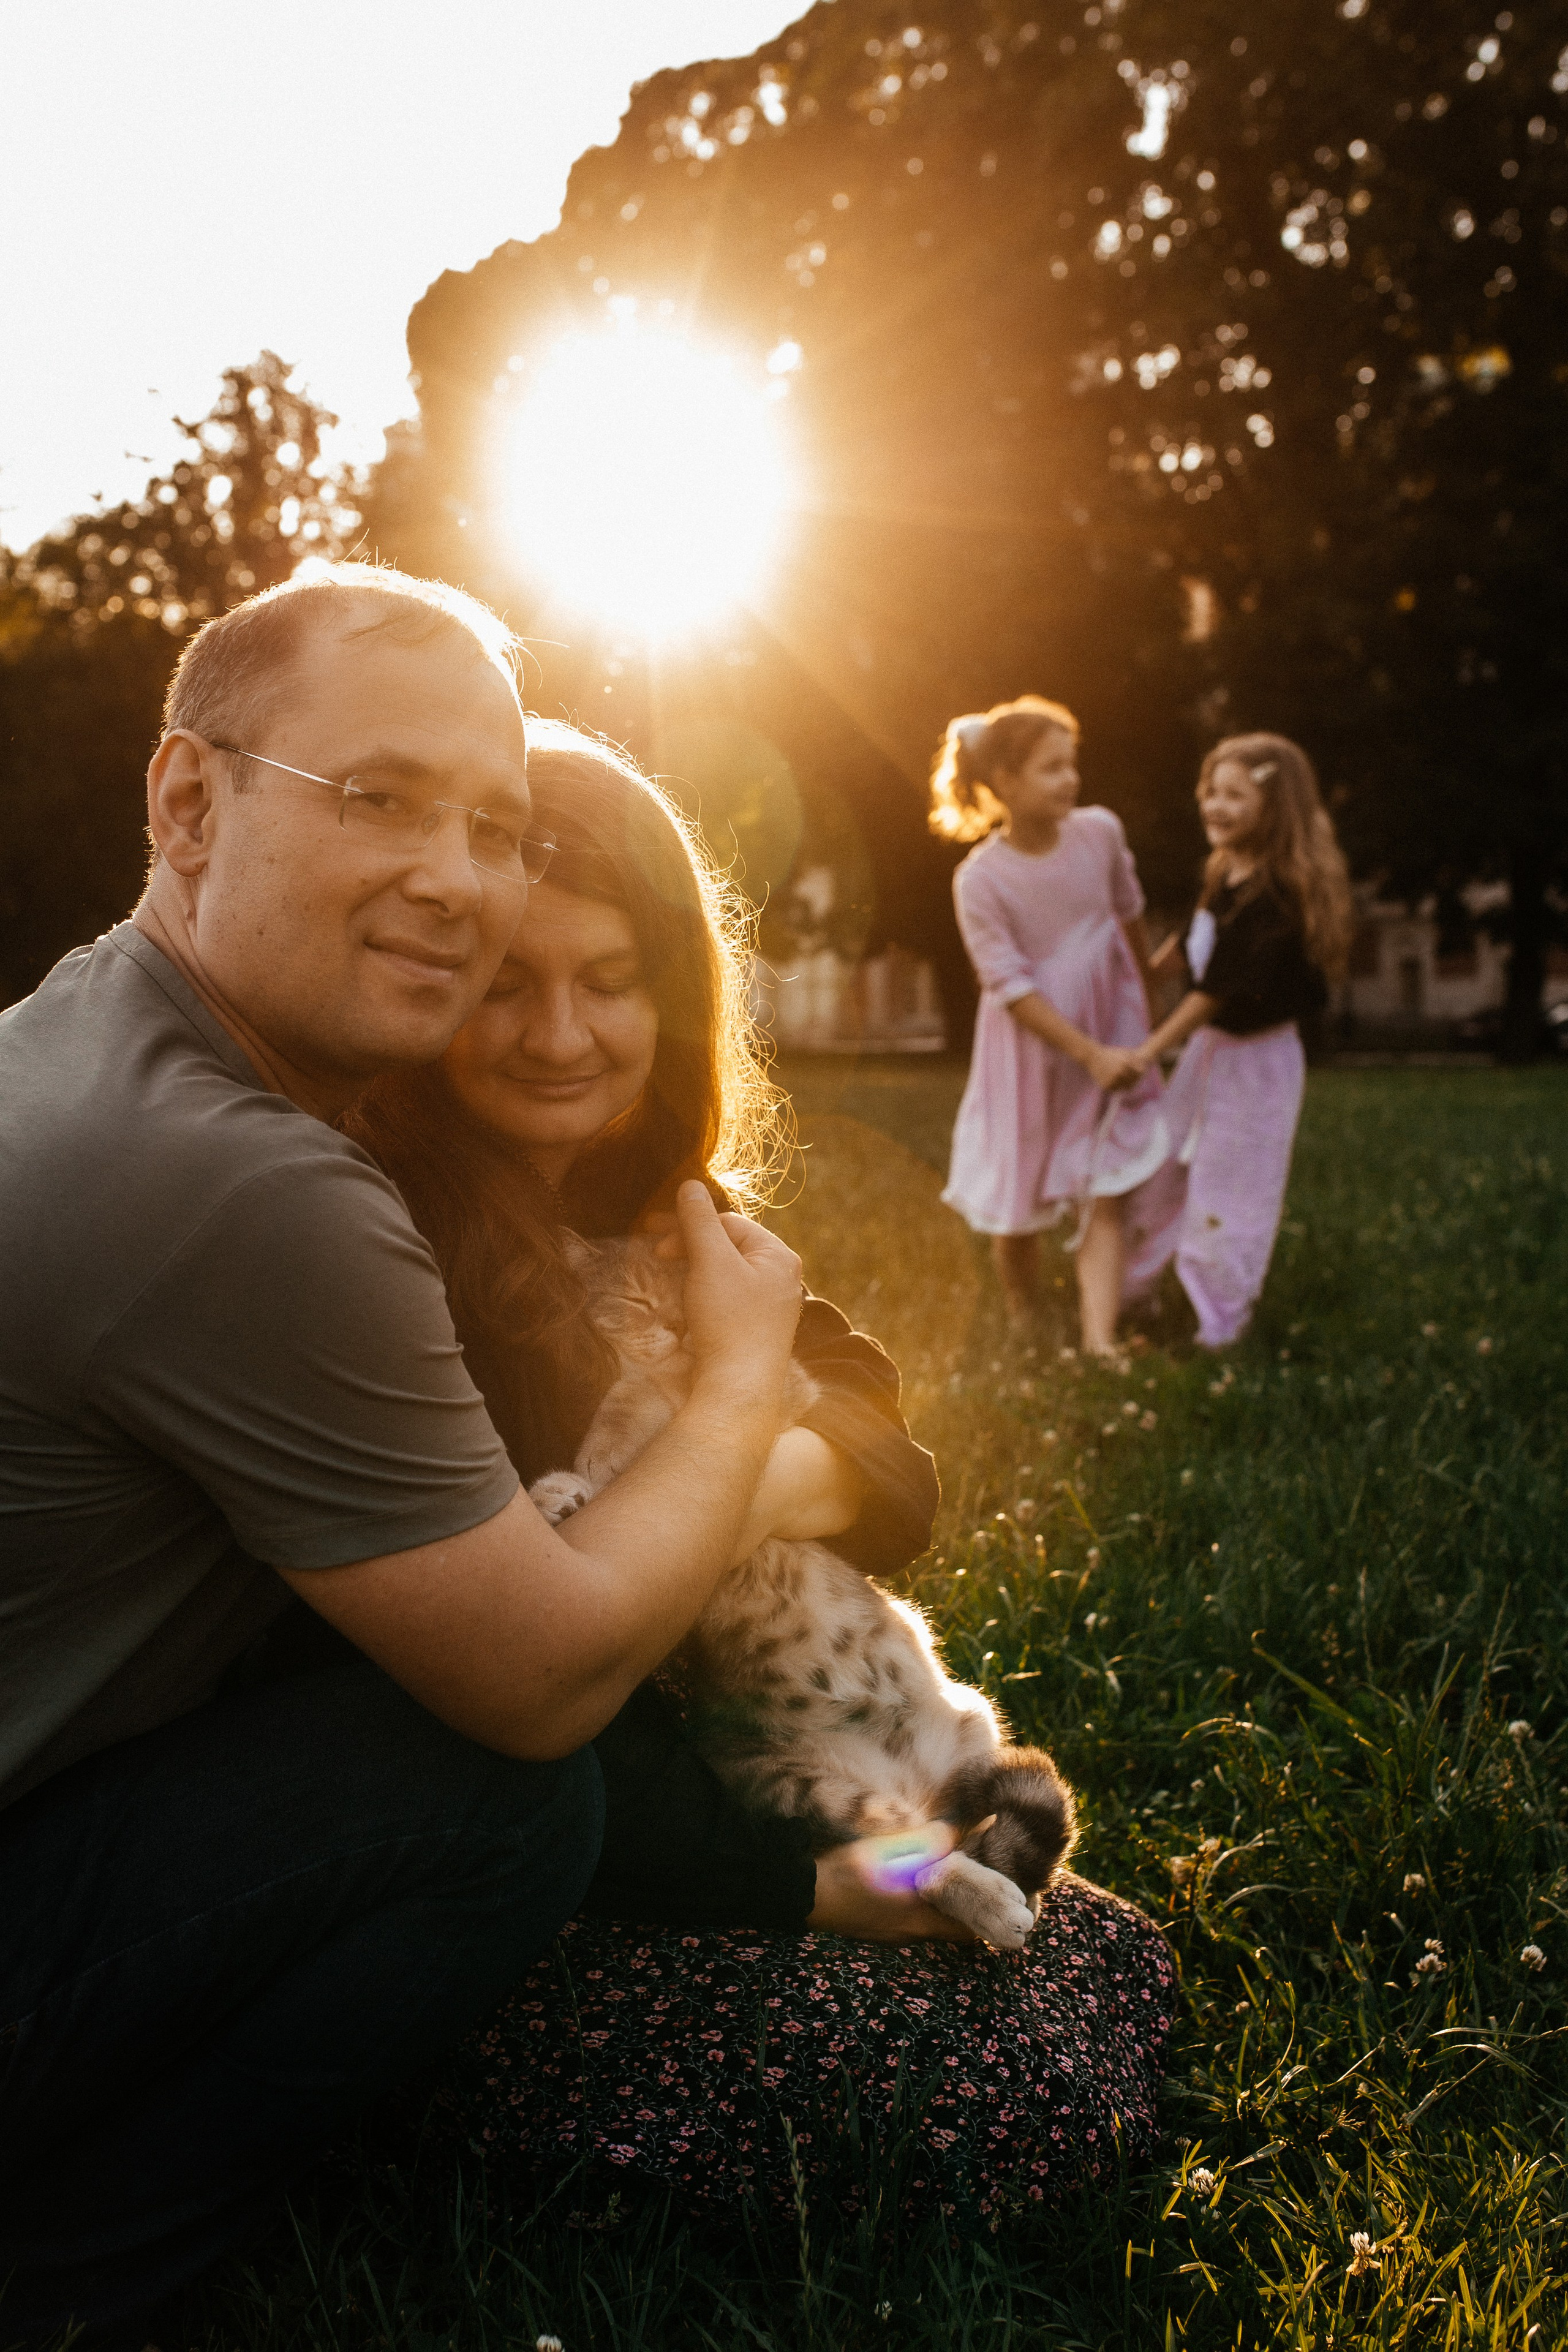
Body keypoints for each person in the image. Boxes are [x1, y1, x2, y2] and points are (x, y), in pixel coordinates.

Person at [0, 565, 812, 2350]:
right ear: (188, 801)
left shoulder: (96, 1029)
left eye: (496, 824)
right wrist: (741, 1388)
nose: (457, 874)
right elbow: (543, 1676)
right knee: (492, 1794)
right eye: (378, 797)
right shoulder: (239, 1181)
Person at [345, 723, 1178, 2221]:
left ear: (673, 997)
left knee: (1092, 1951)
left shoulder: (658, 1198)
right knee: (1004, 2093)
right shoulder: (391, 1255)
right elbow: (519, 1701)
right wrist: (807, 1890)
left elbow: (890, 1459)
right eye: (505, 983)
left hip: (767, 1774)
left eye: (609, 981)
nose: (559, 1033)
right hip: (592, 1845)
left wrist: (724, 1479)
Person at [930, 696, 1169, 1354]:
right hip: (1032, 1046)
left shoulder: (1100, 834)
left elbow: (1128, 914)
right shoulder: (980, 878)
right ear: (1004, 782)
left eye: (1071, 765)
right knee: (1020, 1191)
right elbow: (1008, 986)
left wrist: (1144, 991)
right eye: (1049, 768)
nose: (1069, 780)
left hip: (1108, 1023)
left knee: (1105, 1179)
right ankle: (1024, 1315)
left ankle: (1102, 1335)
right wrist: (1086, 1054)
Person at [1128, 733, 1353, 1348]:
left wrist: (1146, 1051)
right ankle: (1132, 1295)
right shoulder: (1225, 873)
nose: (1216, 807)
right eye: (1211, 793)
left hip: (1256, 1063)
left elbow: (1218, 991)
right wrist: (1137, 977)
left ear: (1274, 807)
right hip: (1207, 1057)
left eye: (1235, 795)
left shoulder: (1278, 891)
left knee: (1231, 1188)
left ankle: (1222, 1327)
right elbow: (1190, 948)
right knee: (1159, 1169)